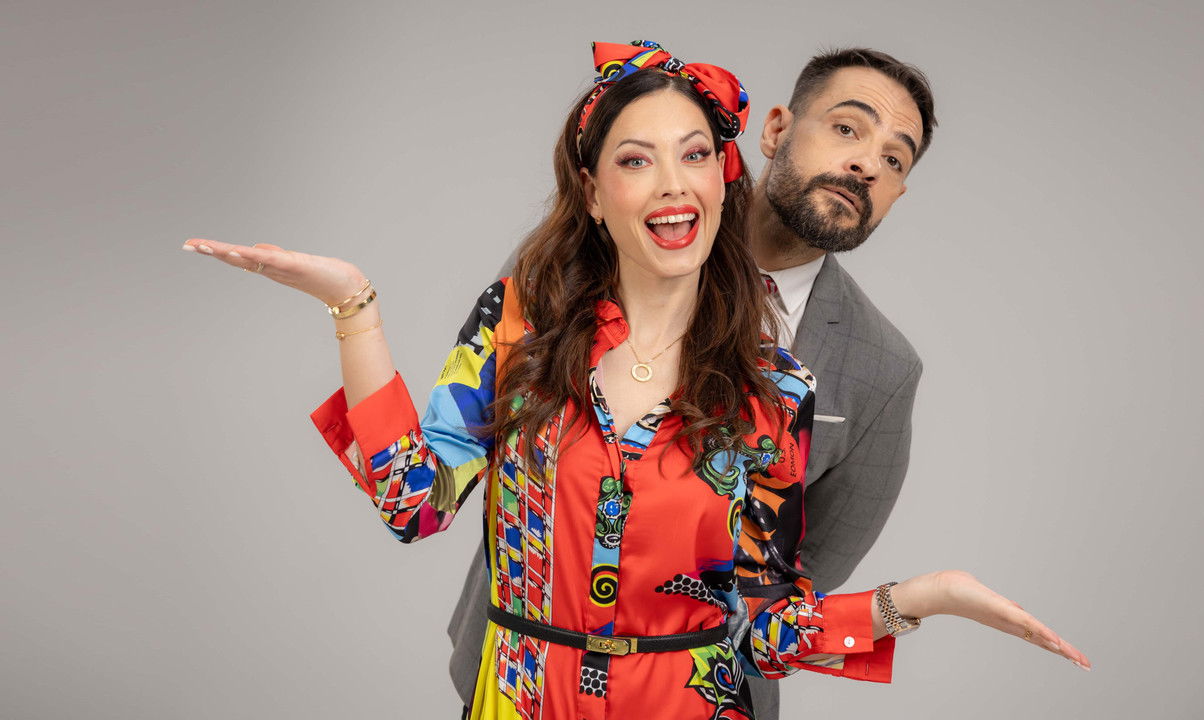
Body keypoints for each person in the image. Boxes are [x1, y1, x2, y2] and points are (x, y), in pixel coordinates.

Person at [182, 41, 1089, 720]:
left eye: (694, 156)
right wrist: (354, 307)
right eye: (635, 159)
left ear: (723, 178)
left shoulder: (780, 389)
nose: (672, 184)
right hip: (517, 697)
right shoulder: (524, 316)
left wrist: (922, 599)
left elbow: (765, 622)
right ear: (591, 191)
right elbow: (413, 501)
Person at [447, 47, 949, 720]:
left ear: (898, 193)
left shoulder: (883, 369)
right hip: (523, 674)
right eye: (846, 128)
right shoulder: (569, 263)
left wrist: (916, 601)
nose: (866, 164)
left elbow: (797, 577)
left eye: (894, 159)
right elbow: (466, 449)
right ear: (774, 130)